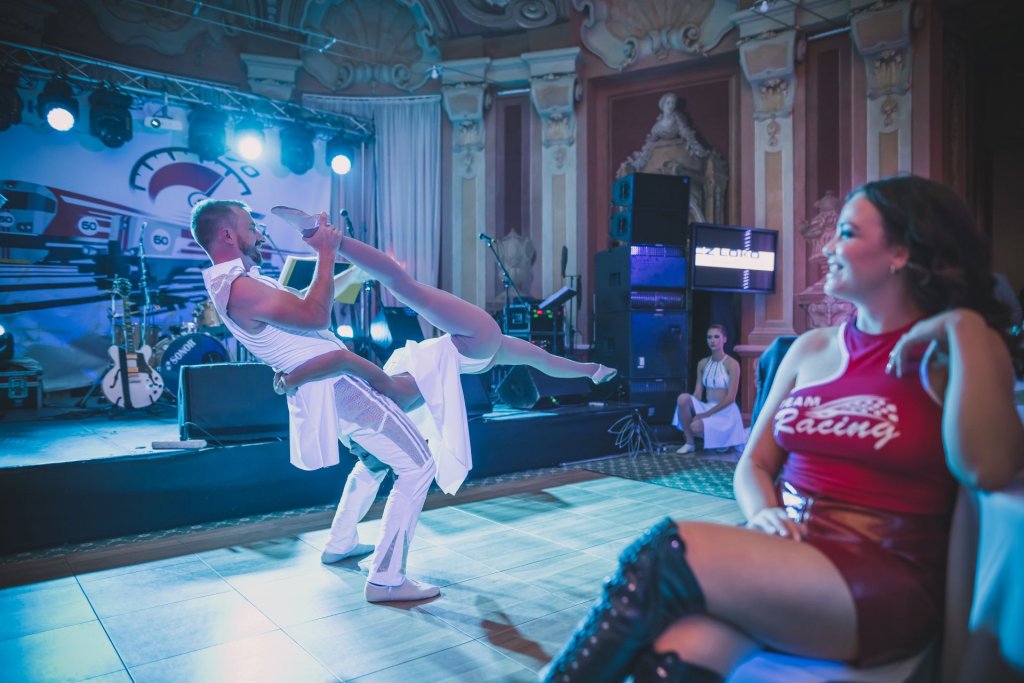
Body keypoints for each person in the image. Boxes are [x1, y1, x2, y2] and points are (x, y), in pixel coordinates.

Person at [540, 175, 1024, 682]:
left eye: (847, 233)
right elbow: (754, 463)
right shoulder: (810, 349)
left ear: (901, 252)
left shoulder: (958, 350)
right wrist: (765, 513)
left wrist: (965, 327)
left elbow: (988, 469)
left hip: (881, 577)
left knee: (662, 555)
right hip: (790, 557)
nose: (827, 247)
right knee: (677, 651)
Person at [271, 205, 617, 499]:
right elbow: (346, 360)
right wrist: (293, 378)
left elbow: (348, 369)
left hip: (473, 352)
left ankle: (592, 371)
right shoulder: (392, 399)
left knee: (536, 357)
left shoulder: (389, 400)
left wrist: (295, 378)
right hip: (471, 344)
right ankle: (324, 236)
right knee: (405, 287)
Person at [193, 200, 442, 603]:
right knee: (419, 465)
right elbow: (316, 316)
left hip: (327, 388)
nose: (259, 234)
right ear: (226, 234)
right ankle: (386, 578)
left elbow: (304, 310)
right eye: (251, 227)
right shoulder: (239, 287)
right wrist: (325, 252)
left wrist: (332, 258)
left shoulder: (237, 281)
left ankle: (341, 541)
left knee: (375, 461)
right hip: (339, 386)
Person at [673, 324, 746, 454]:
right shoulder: (702, 363)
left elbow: (731, 398)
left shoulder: (732, 364)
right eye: (709, 337)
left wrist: (705, 415)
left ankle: (723, 440)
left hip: (726, 412)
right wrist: (690, 414)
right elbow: (698, 393)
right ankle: (689, 443)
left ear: (724, 339)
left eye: (716, 337)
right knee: (682, 399)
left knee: (695, 427)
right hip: (707, 406)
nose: (712, 340)